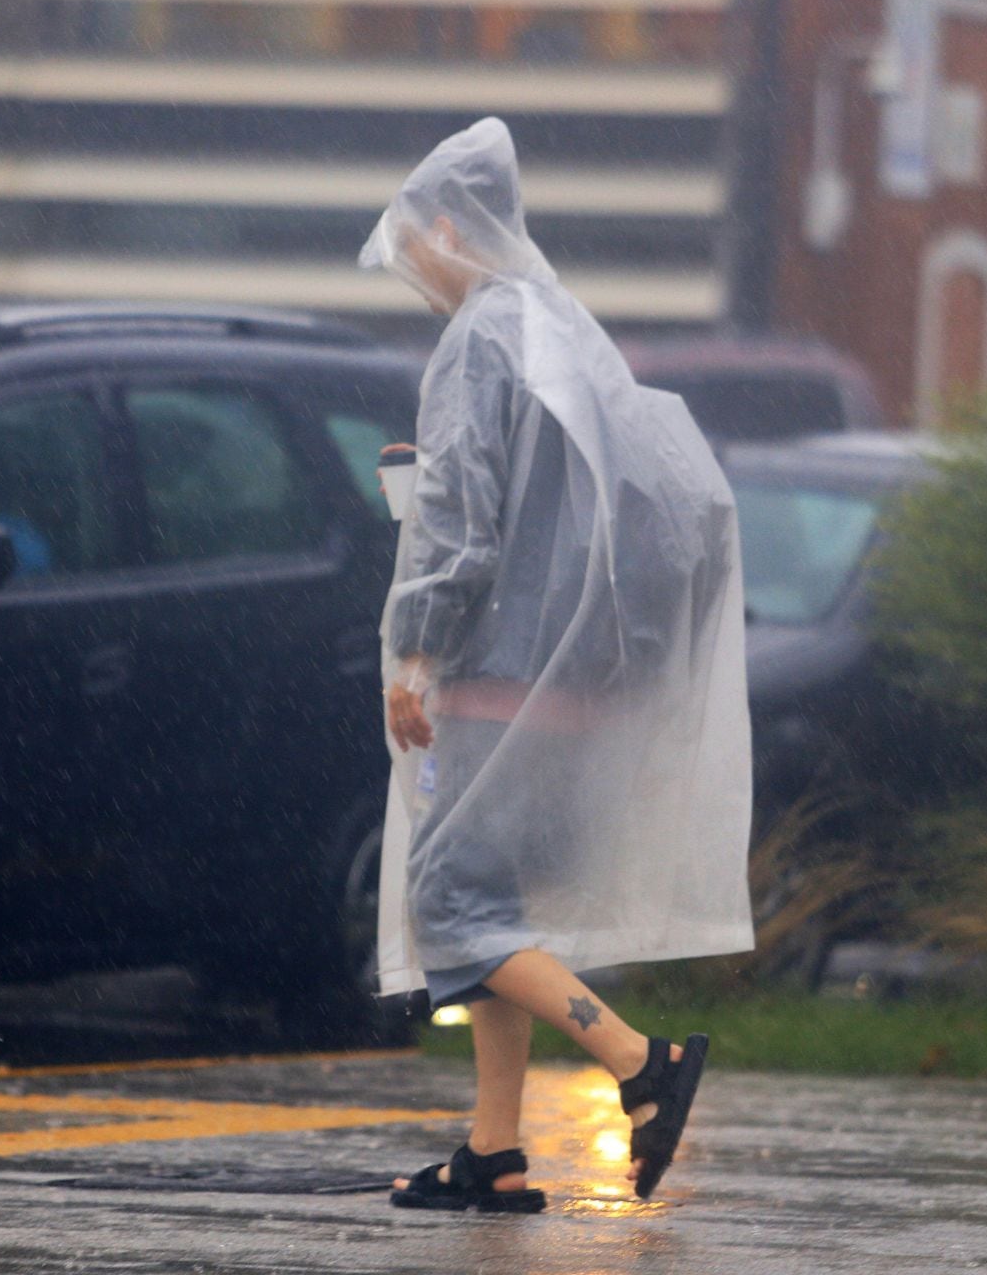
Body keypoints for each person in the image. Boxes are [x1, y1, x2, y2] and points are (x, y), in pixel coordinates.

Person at [361, 118, 754, 1212]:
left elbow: (464, 526)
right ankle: (493, 1151)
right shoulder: (559, 325)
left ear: (448, 228)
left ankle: (643, 1063)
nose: (415, 276)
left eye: (414, 249)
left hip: (493, 669)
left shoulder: (481, 335)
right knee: (490, 906)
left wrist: (415, 647)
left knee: (449, 900)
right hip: (569, 673)